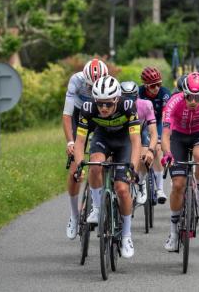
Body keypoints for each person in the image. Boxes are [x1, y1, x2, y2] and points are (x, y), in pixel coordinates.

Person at [73, 75, 141, 259]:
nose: (103, 108)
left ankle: (126, 235)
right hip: (102, 138)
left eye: (108, 105)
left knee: (122, 188)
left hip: (124, 142)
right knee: (95, 164)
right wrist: (80, 164)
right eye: (100, 104)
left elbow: (136, 141)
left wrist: (132, 167)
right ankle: (96, 207)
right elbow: (80, 142)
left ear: (117, 100)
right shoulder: (88, 108)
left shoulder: (128, 106)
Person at [161, 72, 199, 251]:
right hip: (178, 136)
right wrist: (167, 153)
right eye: (189, 96)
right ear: (183, 93)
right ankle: (172, 232)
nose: (193, 101)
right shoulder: (173, 103)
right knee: (178, 185)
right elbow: (165, 134)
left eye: (197, 97)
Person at [62, 58, 108, 240]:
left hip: (100, 117)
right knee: (75, 171)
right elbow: (66, 115)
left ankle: (103, 200)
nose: (91, 89)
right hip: (79, 116)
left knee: (104, 162)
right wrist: (70, 143)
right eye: (89, 86)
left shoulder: (110, 84)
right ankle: (74, 216)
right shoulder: (76, 80)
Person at [120, 81, 158, 205]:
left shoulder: (145, 105)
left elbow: (153, 132)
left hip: (141, 131)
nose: (129, 101)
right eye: (125, 97)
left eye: (132, 97)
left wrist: (151, 150)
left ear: (137, 96)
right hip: (123, 134)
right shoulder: (116, 106)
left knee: (142, 158)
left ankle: (141, 183)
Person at [139, 67, 171, 203]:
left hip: (157, 122)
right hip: (142, 124)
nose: (156, 88)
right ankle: (141, 185)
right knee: (143, 152)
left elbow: (165, 116)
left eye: (159, 84)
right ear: (146, 85)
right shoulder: (139, 93)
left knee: (157, 149)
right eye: (153, 85)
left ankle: (159, 189)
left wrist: (161, 136)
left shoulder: (164, 93)